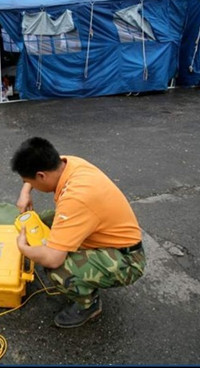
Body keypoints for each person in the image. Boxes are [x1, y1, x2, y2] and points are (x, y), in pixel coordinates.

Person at [11, 137, 146, 328]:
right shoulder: (68, 163)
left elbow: (53, 259)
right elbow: (38, 175)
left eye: (27, 181)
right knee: (43, 221)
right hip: (106, 236)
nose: (28, 184)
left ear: (41, 175)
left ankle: (89, 305)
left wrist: (24, 248)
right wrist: (25, 192)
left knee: (57, 270)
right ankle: (86, 264)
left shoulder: (75, 198)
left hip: (127, 259)